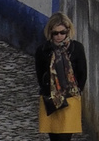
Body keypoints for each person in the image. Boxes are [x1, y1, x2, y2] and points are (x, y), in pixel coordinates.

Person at [35, 11, 87, 140]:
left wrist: (75, 92)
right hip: (51, 98)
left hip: (70, 98)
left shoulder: (76, 48)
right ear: (50, 32)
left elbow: (82, 73)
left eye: (62, 32)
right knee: (54, 138)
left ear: (68, 31)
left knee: (65, 138)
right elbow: (40, 74)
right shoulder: (43, 50)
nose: (59, 36)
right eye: (55, 33)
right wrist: (51, 91)